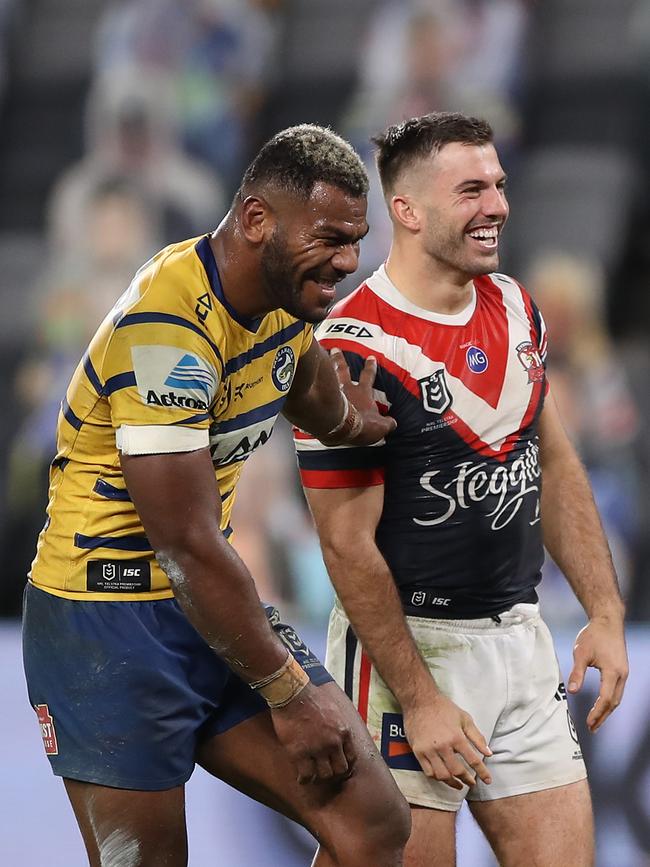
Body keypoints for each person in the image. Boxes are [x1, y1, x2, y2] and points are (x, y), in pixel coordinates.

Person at [22, 124, 411, 867]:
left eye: (356, 239)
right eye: (331, 237)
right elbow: (186, 541)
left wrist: (348, 419)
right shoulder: (168, 329)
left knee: (373, 821)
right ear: (258, 220)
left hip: (201, 603)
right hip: (103, 625)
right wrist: (293, 694)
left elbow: (295, 366)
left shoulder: (279, 291)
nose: (349, 261)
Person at [295, 112, 629, 867]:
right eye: (472, 189)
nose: (498, 206)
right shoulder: (352, 350)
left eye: (501, 186)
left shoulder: (515, 306)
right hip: (407, 653)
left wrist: (605, 610)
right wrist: (419, 699)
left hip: (519, 636)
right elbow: (345, 545)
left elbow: (553, 460)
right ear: (407, 211)